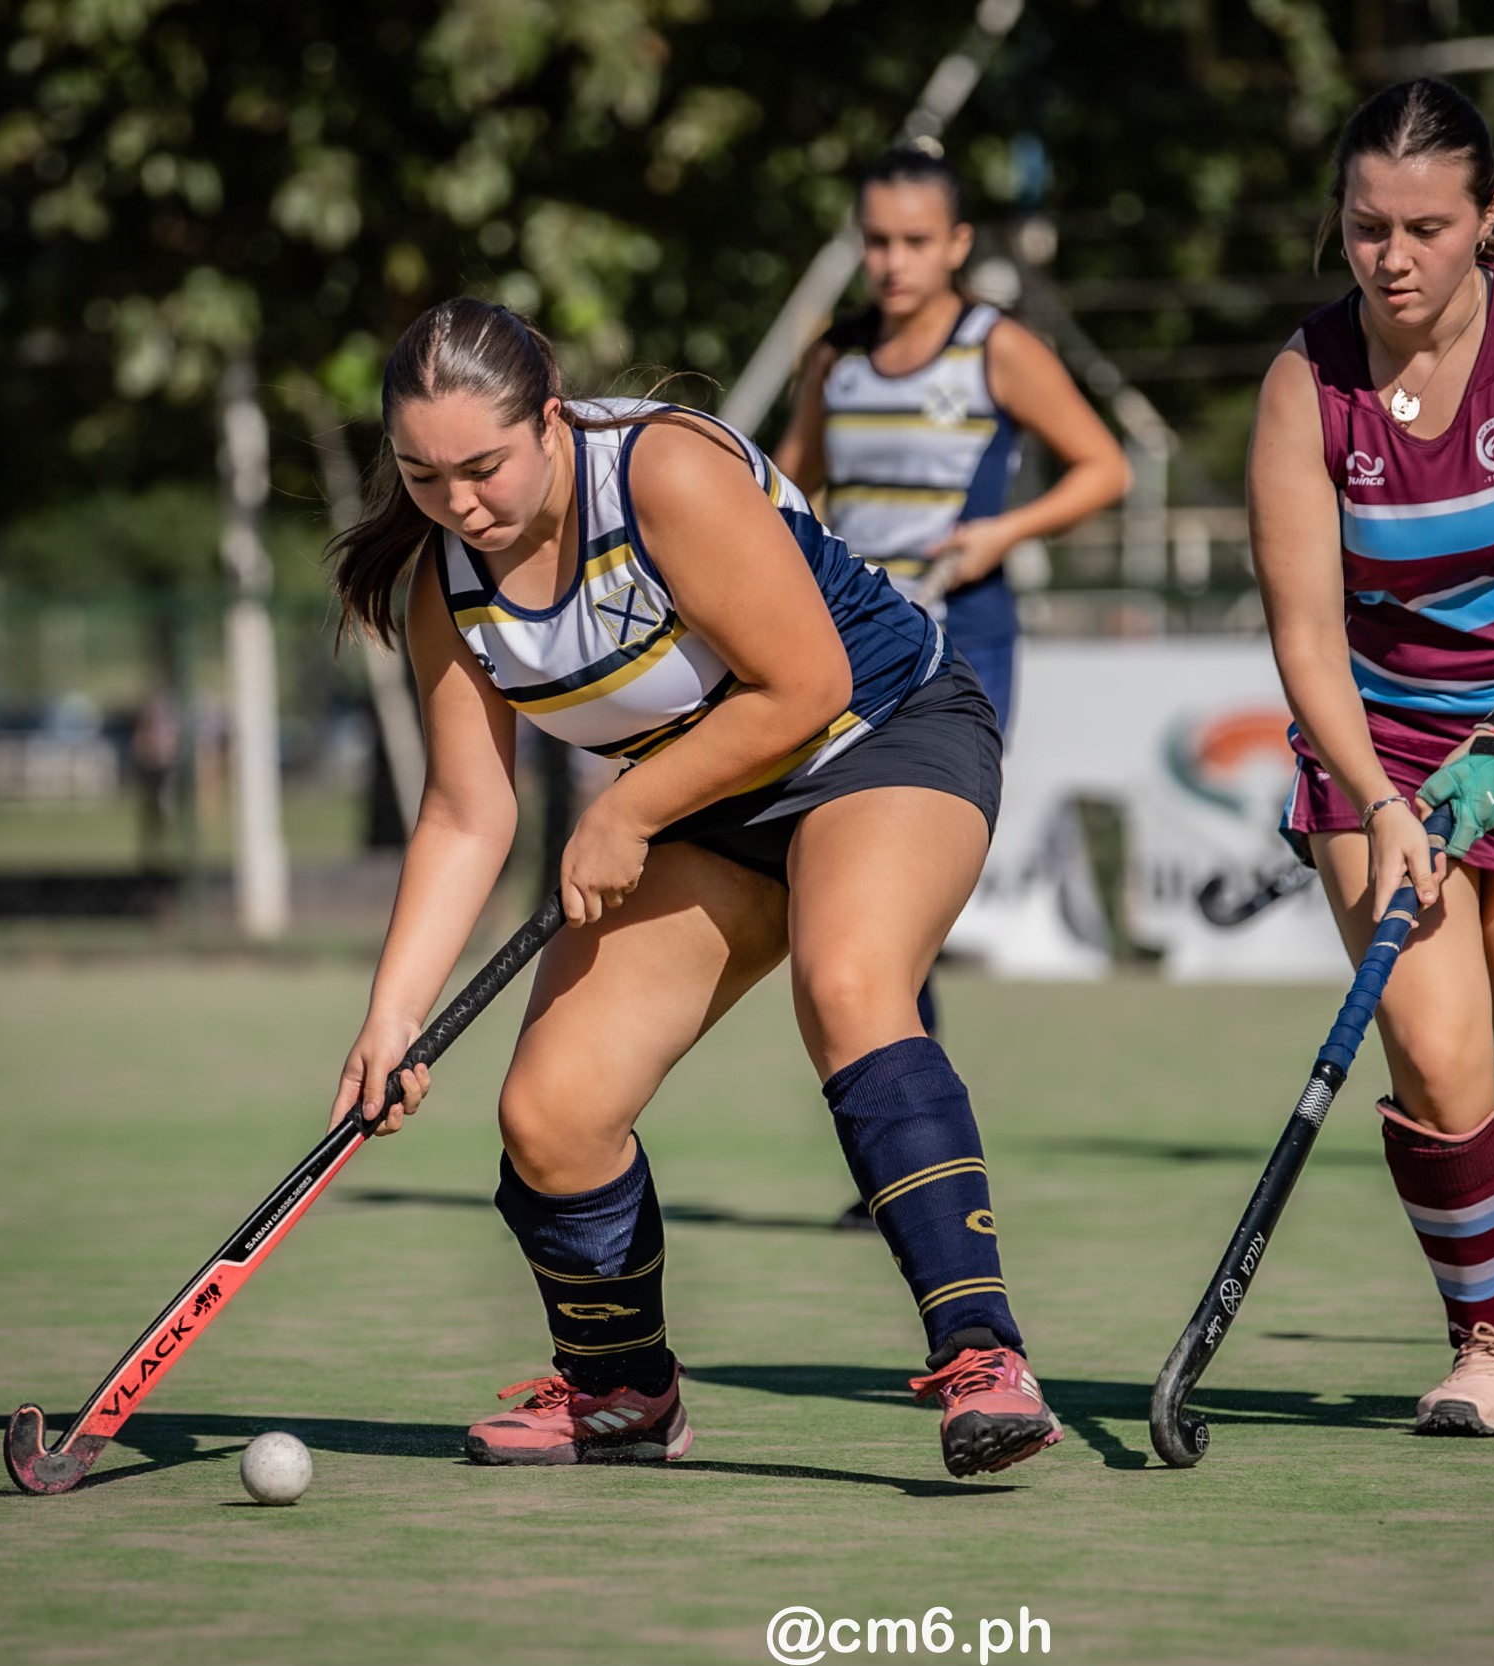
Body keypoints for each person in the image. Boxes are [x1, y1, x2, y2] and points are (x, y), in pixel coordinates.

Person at [322, 297, 1062, 1479]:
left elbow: (803, 680)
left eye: (482, 467)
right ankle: (622, 1391)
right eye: (420, 474)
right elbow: (467, 810)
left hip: (876, 733)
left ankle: (982, 1358)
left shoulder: (660, 470)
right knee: (550, 1113)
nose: (459, 504)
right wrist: (392, 1014)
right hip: (706, 804)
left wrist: (623, 808)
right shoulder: (440, 587)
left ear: (551, 420)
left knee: (849, 984)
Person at [1252, 80, 1494, 1436]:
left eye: (1426, 226)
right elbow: (1303, 631)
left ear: (1487, 219)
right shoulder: (1306, 382)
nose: (1394, 257)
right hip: (1377, 742)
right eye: (1369, 228)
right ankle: (1491, 1343)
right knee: (1434, 1053)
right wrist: (1378, 795)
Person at [774, 140, 1128, 1117]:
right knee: (856, 904)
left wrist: (1002, 533)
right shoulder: (835, 356)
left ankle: (905, 1117)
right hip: (845, 650)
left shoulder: (995, 347)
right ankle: (896, 1119)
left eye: (915, 241)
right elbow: (781, 489)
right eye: (876, 241)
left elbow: (1104, 466)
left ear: (957, 243)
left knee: (893, 895)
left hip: (963, 647)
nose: (892, 261)